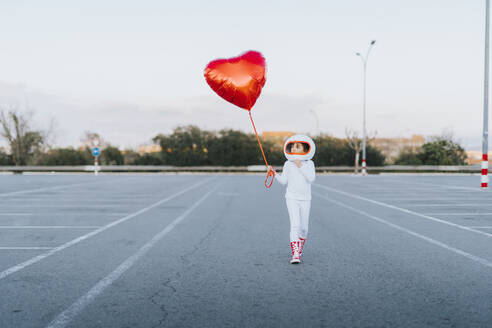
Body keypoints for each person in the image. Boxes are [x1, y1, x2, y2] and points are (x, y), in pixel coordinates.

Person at [269, 135, 316, 264]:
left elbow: (311, 178)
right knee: (295, 225)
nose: (294, 148)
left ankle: (299, 248)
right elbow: (284, 181)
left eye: (298, 146)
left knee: (304, 229)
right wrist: (274, 173)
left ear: (305, 149)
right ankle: (295, 254)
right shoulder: (287, 164)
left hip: (306, 199)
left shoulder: (309, 163)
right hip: (291, 198)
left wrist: (300, 165)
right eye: (293, 146)